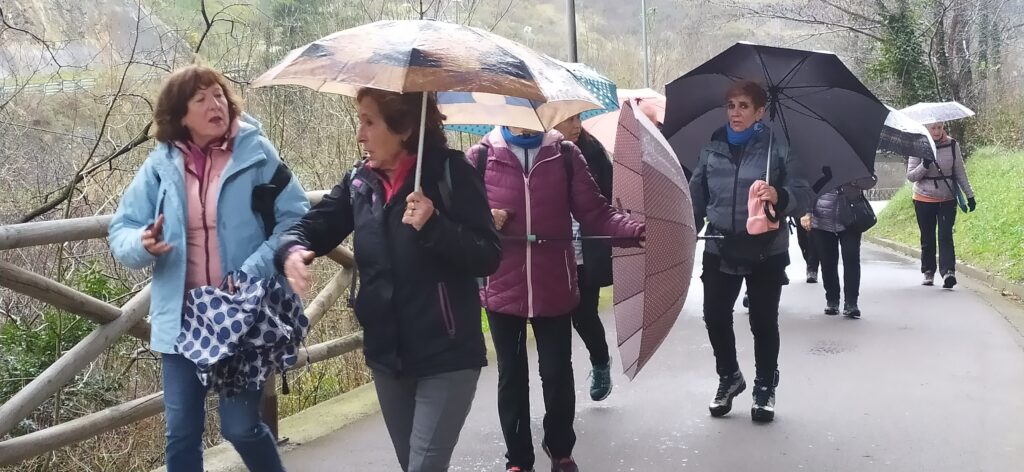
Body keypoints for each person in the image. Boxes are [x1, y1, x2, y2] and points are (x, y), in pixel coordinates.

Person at [277, 89, 501, 472]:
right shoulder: (360, 182)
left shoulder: (451, 173)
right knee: (412, 464)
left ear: (405, 128)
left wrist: (434, 225)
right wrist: (291, 248)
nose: (359, 135)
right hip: (386, 356)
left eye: (369, 122)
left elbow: (488, 255)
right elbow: (317, 224)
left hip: (446, 354)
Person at [108, 65, 309, 472]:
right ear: (181, 115)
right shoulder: (161, 166)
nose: (215, 104)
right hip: (182, 318)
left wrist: (253, 269)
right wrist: (143, 242)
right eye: (200, 99)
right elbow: (121, 229)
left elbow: (295, 216)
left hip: (240, 315)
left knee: (241, 428)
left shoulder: (256, 153)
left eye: (219, 95)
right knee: (181, 432)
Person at [469, 125, 644, 472]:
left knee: (557, 373)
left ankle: (560, 448)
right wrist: (484, 219)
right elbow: (457, 216)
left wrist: (634, 229)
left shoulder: (564, 154)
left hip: (555, 284)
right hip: (502, 284)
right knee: (511, 377)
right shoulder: (481, 156)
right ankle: (518, 460)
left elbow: (596, 213)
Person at [688, 80, 813, 423]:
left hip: (765, 249)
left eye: (744, 106)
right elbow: (696, 194)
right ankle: (729, 376)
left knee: (763, 320)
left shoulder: (778, 149)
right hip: (720, 244)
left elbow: (802, 194)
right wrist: (686, 229)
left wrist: (780, 196)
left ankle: (764, 385)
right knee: (714, 315)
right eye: (731, 106)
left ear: (760, 112)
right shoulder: (712, 147)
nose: (736, 112)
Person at [552, 114, 614, 402]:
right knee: (555, 323)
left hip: (586, 249)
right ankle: (558, 389)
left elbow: (610, 198)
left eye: (578, 118)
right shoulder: (540, 153)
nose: (576, 125)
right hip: (552, 251)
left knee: (584, 315)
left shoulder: (593, 151)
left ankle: (600, 362)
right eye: (568, 119)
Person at [907, 121, 976, 288]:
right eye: (933, 128)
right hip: (923, 198)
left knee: (945, 235)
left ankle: (948, 272)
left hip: (947, 198)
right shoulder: (917, 145)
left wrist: (970, 195)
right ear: (927, 129)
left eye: (940, 127)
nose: (937, 131)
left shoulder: (952, 145)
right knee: (927, 236)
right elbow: (911, 176)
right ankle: (928, 271)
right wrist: (924, 165)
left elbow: (960, 172)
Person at [808, 176, 876, 318]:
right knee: (827, 262)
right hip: (822, 219)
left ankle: (851, 303)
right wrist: (807, 212)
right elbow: (808, 187)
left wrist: (853, 180)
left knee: (851, 259)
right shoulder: (817, 164)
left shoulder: (856, 163)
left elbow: (871, 180)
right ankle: (832, 300)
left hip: (850, 218)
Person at [794, 214, 819, 283]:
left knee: (812, 237)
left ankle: (812, 269)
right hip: (800, 211)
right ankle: (809, 263)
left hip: (817, 211)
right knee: (802, 240)